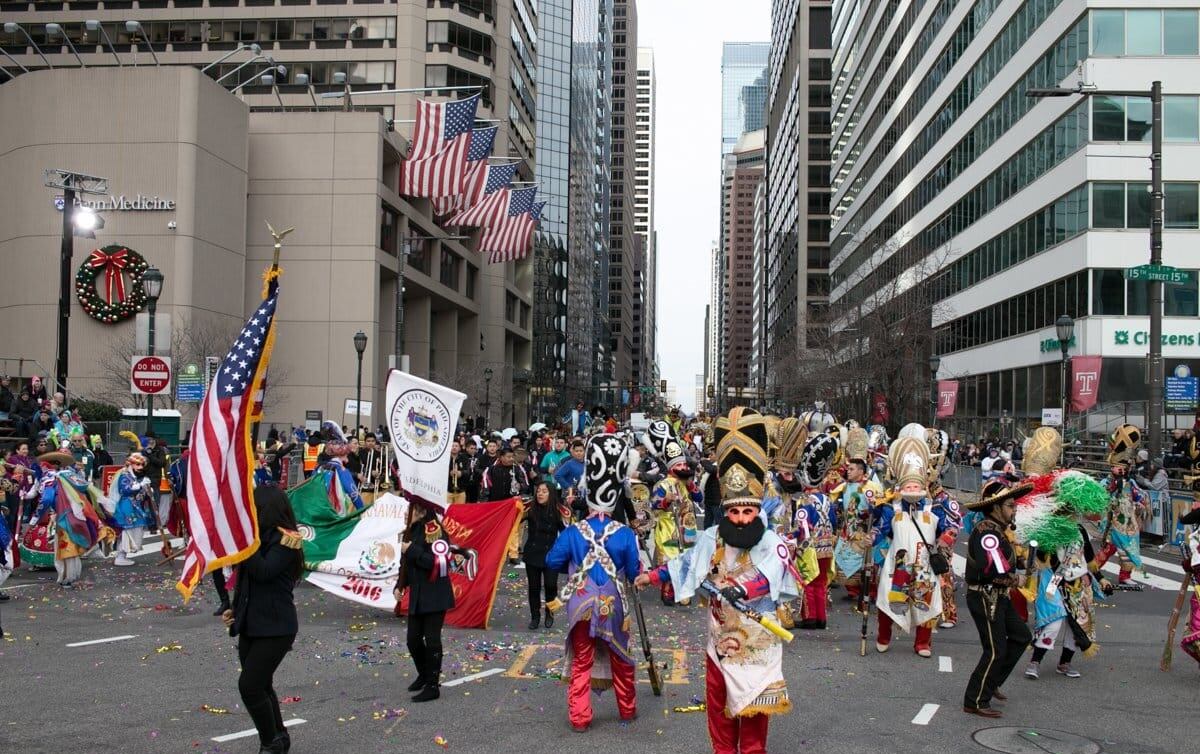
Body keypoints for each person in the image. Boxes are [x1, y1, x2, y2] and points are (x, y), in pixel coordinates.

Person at [635, 407, 799, 754]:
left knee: (755, 710)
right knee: (719, 706)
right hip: (719, 639)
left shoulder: (773, 542)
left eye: (747, 512)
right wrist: (651, 575)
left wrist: (742, 588)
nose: (740, 519)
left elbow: (776, 572)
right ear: (725, 510)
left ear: (758, 511)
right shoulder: (713, 537)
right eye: (734, 512)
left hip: (758, 640)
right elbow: (685, 564)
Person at [545, 433, 640, 732]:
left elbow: (550, 561)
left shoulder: (574, 532)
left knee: (582, 661)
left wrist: (575, 566)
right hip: (614, 605)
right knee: (621, 659)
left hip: (581, 604)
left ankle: (580, 717)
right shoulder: (625, 533)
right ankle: (627, 709)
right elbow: (634, 571)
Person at [221, 486, 303, 753]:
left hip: (277, 625)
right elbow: (245, 580)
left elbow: (265, 571)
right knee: (262, 684)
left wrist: (247, 543)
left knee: (250, 686)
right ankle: (279, 735)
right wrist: (235, 609)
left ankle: (270, 743)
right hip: (252, 622)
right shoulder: (255, 539)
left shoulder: (287, 540)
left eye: (252, 510)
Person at [873, 433, 951, 657]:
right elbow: (881, 530)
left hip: (923, 564)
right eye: (909, 485)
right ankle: (883, 637)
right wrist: (873, 533)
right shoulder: (891, 508)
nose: (913, 489)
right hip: (896, 564)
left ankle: (923, 643)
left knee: (925, 601)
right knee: (888, 600)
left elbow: (947, 527)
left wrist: (947, 536)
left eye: (917, 485)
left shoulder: (933, 509)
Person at [962, 479, 1033, 718]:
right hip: (984, 596)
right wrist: (1016, 580)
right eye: (1011, 505)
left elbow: (1006, 561)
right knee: (995, 649)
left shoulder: (998, 532)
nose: (1014, 510)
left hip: (998, 596)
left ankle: (991, 683)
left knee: (1022, 636)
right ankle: (975, 699)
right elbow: (993, 570)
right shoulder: (986, 533)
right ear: (995, 508)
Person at [394, 496, 457, 703]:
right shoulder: (410, 531)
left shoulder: (435, 531)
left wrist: (411, 550)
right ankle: (424, 673)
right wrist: (399, 585)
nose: (406, 514)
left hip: (435, 592)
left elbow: (437, 563)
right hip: (418, 593)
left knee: (431, 640)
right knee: (412, 640)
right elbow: (404, 564)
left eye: (410, 510)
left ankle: (432, 684)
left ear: (420, 511)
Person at [649, 438, 702, 605]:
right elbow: (653, 504)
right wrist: (666, 500)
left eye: (684, 465)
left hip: (687, 527)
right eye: (678, 466)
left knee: (686, 560)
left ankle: (683, 591)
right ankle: (668, 592)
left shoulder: (688, 483)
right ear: (672, 468)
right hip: (669, 528)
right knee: (670, 561)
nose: (683, 468)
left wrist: (692, 487)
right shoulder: (663, 484)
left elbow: (699, 498)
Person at [524, 481, 568, 629]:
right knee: (534, 587)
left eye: (544, 491)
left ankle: (550, 612)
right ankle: (535, 616)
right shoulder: (529, 508)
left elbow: (567, 533)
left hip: (551, 555)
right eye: (538, 491)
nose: (540, 494)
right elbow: (511, 517)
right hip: (532, 553)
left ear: (551, 493)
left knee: (550, 585)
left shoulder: (559, 511)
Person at [111, 452, 155, 566]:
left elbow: (139, 493)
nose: (140, 467)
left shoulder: (134, 476)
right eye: (137, 464)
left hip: (135, 506)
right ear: (131, 464)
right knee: (127, 530)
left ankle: (122, 555)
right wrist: (139, 486)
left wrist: (146, 489)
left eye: (142, 465)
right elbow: (125, 490)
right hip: (127, 506)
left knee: (136, 528)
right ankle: (120, 555)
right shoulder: (124, 475)